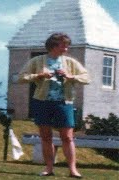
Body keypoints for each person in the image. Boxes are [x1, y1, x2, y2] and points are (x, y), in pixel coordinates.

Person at [18, 33, 90, 178]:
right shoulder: (37, 60)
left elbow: (86, 78)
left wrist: (71, 77)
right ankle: (49, 168)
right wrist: (39, 75)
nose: (66, 48)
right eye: (63, 45)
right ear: (53, 46)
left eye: (67, 45)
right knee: (45, 137)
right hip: (42, 102)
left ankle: (73, 170)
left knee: (68, 137)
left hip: (64, 102)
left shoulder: (70, 62)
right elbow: (22, 77)